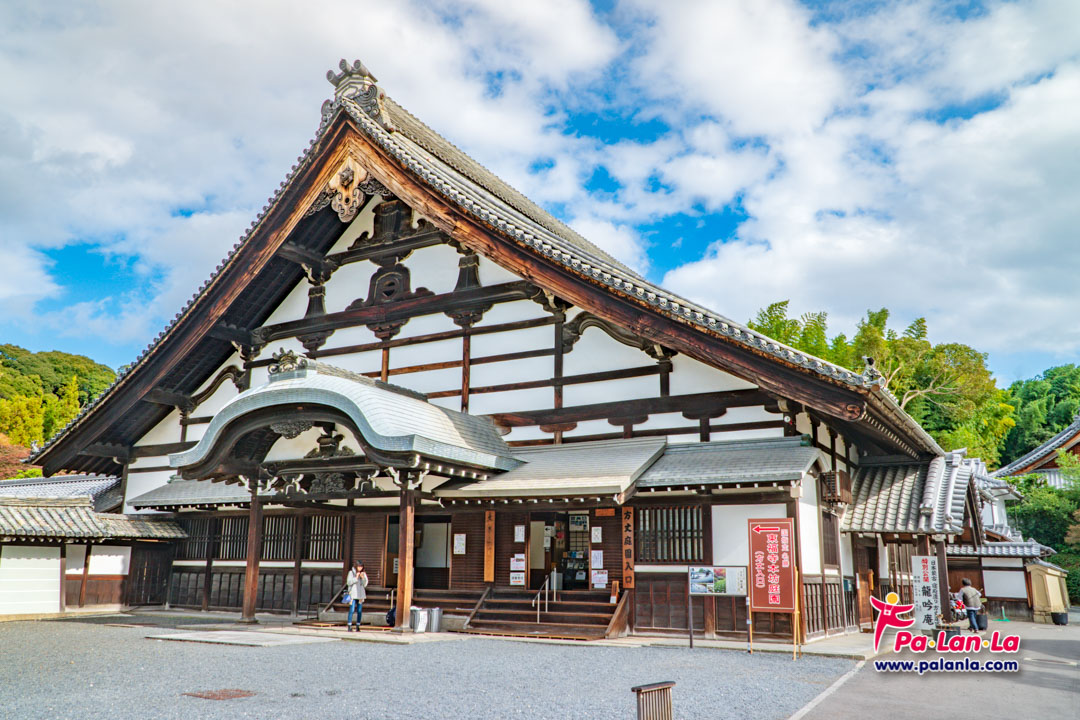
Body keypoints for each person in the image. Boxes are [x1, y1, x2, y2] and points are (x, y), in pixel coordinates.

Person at [346, 561, 368, 631]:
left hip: (360, 595)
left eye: (361, 567)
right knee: (352, 610)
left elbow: (365, 584)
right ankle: (349, 625)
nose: (360, 568)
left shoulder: (363, 573)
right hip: (353, 594)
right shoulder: (351, 573)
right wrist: (356, 577)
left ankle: (358, 626)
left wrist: (363, 578)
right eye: (359, 566)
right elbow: (348, 582)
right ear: (356, 566)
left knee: (359, 611)